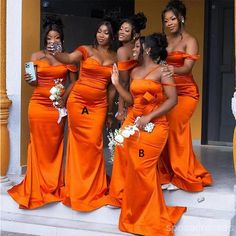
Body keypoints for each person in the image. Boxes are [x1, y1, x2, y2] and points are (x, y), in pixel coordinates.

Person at [110, 33, 186, 235]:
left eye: (136, 46)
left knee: (142, 167)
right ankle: (136, 213)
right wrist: (117, 84)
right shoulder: (134, 71)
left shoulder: (163, 71)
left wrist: (149, 117)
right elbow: (132, 101)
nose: (133, 49)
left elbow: (172, 100)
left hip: (155, 127)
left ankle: (150, 217)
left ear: (148, 49)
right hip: (135, 123)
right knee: (133, 166)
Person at [8, 15, 78, 209]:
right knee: (38, 145)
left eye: (56, 38)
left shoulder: (68, 58)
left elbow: (73, 81)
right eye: (49, 38)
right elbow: (32, 82)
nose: (52, 41)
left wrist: (64, 98)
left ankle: (52, 183)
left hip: (57, 108)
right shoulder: (36, 56)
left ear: (61, 39)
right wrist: (29, 79)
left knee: (55, 146)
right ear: (45, 40)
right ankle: (37, 184)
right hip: (38, 105)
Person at [48, 20, 117, 211]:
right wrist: (56, 52)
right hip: (79, 101)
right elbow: (69, 58)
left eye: (106, 33)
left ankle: (93, 186)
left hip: (99, 105)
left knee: (94, 143)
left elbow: (112, 89)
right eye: (99, 32)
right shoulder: (85, 50)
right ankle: (77, 186)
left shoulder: (115, 57)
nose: (102, 35)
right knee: (79, 145)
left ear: (111, 36)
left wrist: (110, 112)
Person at [158, 0, 212, 191]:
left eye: (172, 19)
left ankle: (181, 175)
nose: (169, 23)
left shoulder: (190, 40)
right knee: (164, 128)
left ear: (181, 18)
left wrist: (169, 68)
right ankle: (167, 173)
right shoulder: (163, 40)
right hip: (167, 91)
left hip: (187, 93)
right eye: (166, 20)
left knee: (176, 127)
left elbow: (188, 68)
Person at [108, 12, 147, 207]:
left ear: (135, 34)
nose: (121, 32)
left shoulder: (124, 51)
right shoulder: (140, 48)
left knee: (125, 145)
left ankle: (123, 189)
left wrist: (121, 109)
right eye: (121, 29)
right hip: (142, 97)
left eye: (126, 30)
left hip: (132, 99)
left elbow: (122, 82)